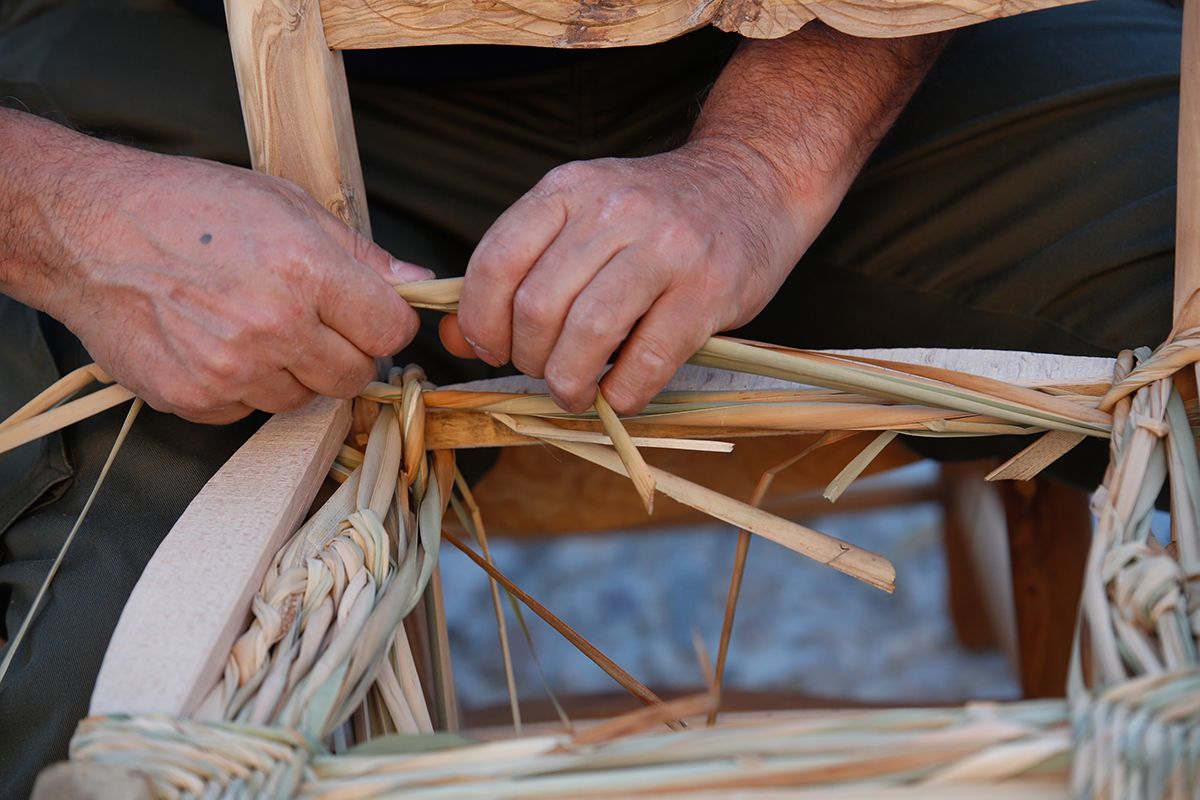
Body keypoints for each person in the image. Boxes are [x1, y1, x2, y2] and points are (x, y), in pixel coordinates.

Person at [0, 0, 1182, 794]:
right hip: (183, 95)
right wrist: (68, 220)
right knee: (90, 716)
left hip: (833, 42)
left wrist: (759, 168)